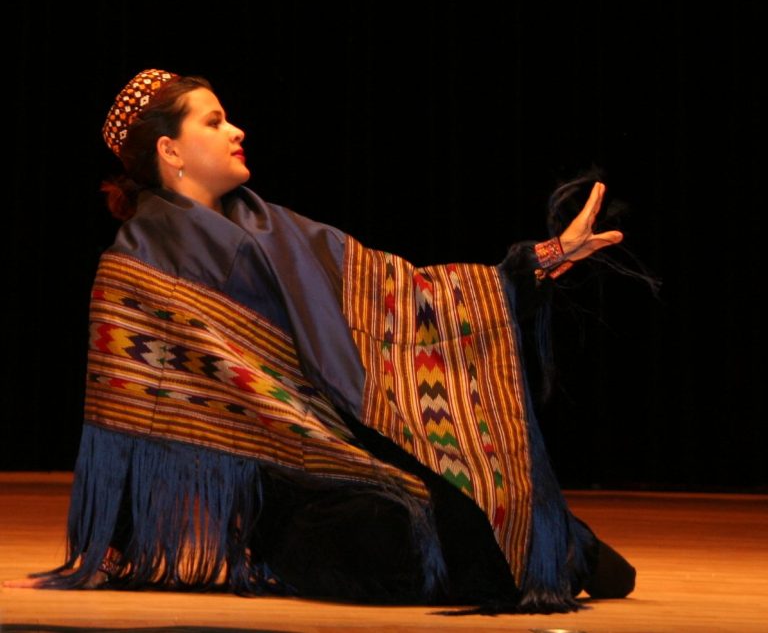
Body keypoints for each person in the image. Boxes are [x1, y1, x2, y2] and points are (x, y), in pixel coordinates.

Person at [4, 68, 637, 613]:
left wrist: (539, 260)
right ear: (171, 151)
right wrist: (114, 551)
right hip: (291, 499)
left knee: (481, 512)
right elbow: (132, 418)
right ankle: (535, 548)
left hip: (356, 457)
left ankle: (549, 542)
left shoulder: (278, 232)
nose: (236, 130)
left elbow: (405, 294)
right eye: (215, 121)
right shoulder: (134, 269)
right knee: (389, 537)